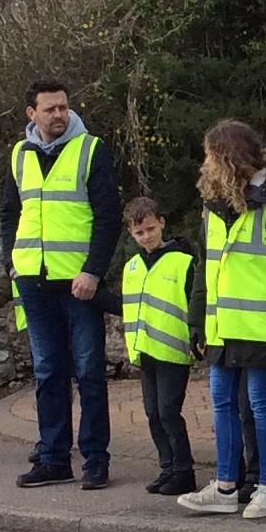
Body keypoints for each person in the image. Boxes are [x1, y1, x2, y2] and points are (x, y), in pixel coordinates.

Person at [176, 120, 266, 521]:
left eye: (210, 156)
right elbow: (205, 269)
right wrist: (196, 321)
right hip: (223, 327)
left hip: (262, 328)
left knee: (258, 404)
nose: (205, 164)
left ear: (228, 160)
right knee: (222, 403)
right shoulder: (212, 211)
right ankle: (225, 487)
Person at [1, 78, 119, 490]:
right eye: (50, 109)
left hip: (78, 283)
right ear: (31, 113)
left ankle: (95, 459)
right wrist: (11, 261)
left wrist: (93, 271)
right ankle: (53, 458)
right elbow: (10, 213)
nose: (59, 115)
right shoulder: (20, 154)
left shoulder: (90, 149)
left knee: (88, 372)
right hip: (33, 280)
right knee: (48, 372)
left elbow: (108, 217)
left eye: (63, 107)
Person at [119, 194, 200, 496]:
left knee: (168, 412)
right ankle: (168, 468)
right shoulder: (132, 267)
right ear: (131, 233)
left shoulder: (183, 261)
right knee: (153, 413)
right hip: (144, 350)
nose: (147, 236)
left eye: (151, 229)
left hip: (172, 350)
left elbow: (194, 302)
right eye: (139, 232)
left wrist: (197, 336)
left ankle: (184, 471)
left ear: (162, 223)